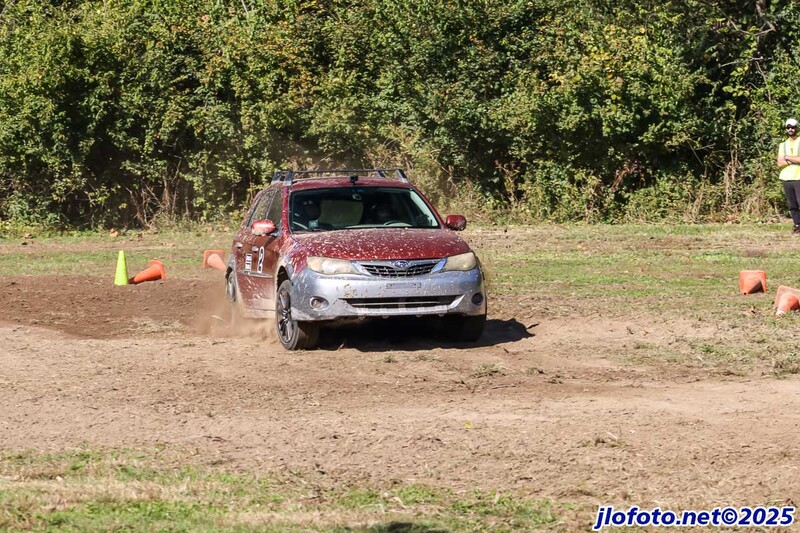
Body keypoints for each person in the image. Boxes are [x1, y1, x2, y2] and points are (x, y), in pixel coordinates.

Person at [779, 118, 800, 234]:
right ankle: (797, 225)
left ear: (796, 128)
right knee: (792, 205)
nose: (790, 129)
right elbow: (779, 163)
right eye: (788, 128)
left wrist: (787, 157)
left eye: (792, 127)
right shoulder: (783, 145)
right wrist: (795, 159)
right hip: (786, 178)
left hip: (799, 177)